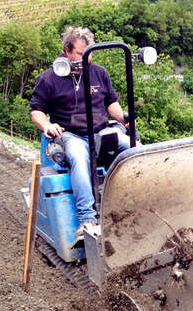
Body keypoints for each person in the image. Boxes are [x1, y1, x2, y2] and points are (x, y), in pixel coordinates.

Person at [29, 26, 131, 241]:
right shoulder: (49, 78)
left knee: (134, 149)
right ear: (67, 50)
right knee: (78, 157)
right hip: (71, 134)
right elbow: (36, 111)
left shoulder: (99, 72)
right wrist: (47, 125)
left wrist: (123, 118)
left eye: (90, 53)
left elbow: (111, 102)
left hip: (102, 131)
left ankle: (136, 202)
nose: (87, 58)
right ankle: (88, 219)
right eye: (80, 53)